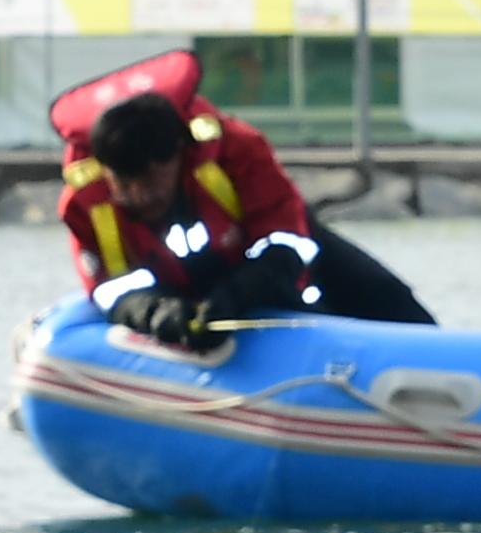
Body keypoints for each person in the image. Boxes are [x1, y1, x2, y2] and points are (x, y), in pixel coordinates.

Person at [52, 52, 432, 346]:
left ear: (180, 156)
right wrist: (152, 311)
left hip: (265, 268)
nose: (140, 195)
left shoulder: (238, 150)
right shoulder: (86, 202)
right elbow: (107, 283)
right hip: (173, 293)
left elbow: (285, 235)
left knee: (386, 297)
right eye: (126, 183)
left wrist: (243, 290)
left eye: (152, 180)